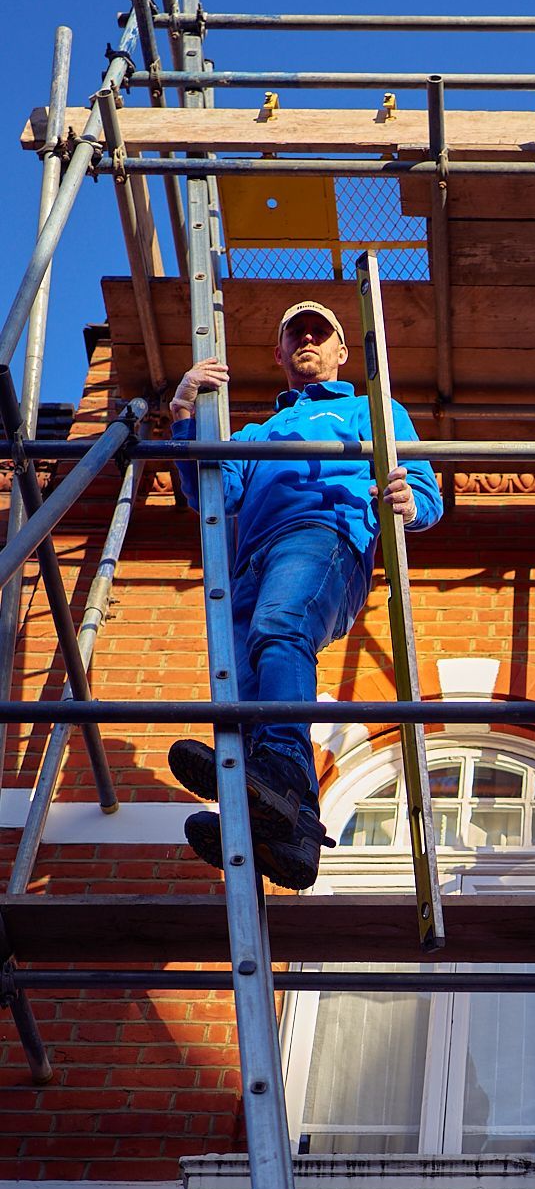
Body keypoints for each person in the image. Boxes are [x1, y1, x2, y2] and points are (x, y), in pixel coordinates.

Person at [169, 299, 442, 889]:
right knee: (241, 691)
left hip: (324, 538)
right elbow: (208, 491)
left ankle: (286, 770)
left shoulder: (370, 408)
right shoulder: (258, 433)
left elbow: (421, 487)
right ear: (280, 354)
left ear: (343, 352)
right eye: (296, 336)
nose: (308, 343)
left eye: (321, 335)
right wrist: (186, 411)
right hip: (250, 563)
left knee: (282, 626)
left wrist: (410, 503)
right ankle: (291, 833)